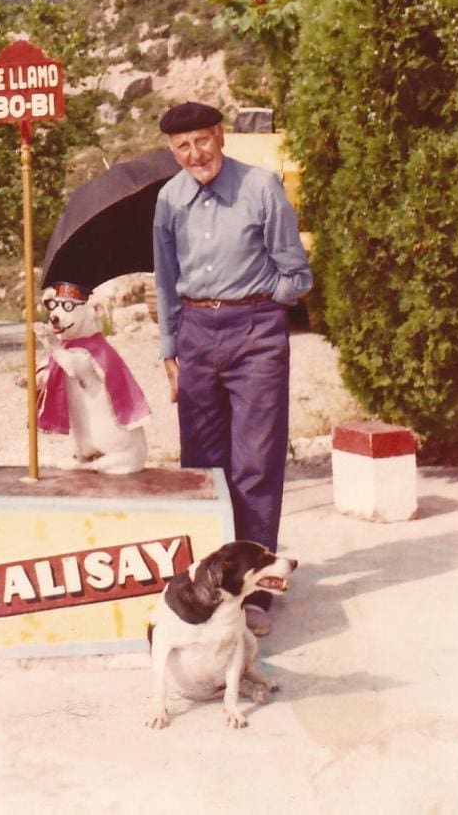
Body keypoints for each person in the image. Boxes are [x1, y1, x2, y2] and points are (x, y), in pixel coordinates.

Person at [152, 101, 312, 635]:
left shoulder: (262, 187)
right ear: (172, 151)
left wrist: (262, 308)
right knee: (201, 465)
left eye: (202, 140)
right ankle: (211, 589)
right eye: (182, 146)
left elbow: (297, 273)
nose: (195, 153)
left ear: (220, 136)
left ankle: (259, 589)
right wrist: (170, 350)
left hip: (255, 335)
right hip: (196, 335)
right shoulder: (169, 199)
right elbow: (165, 280)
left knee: (256, 463)